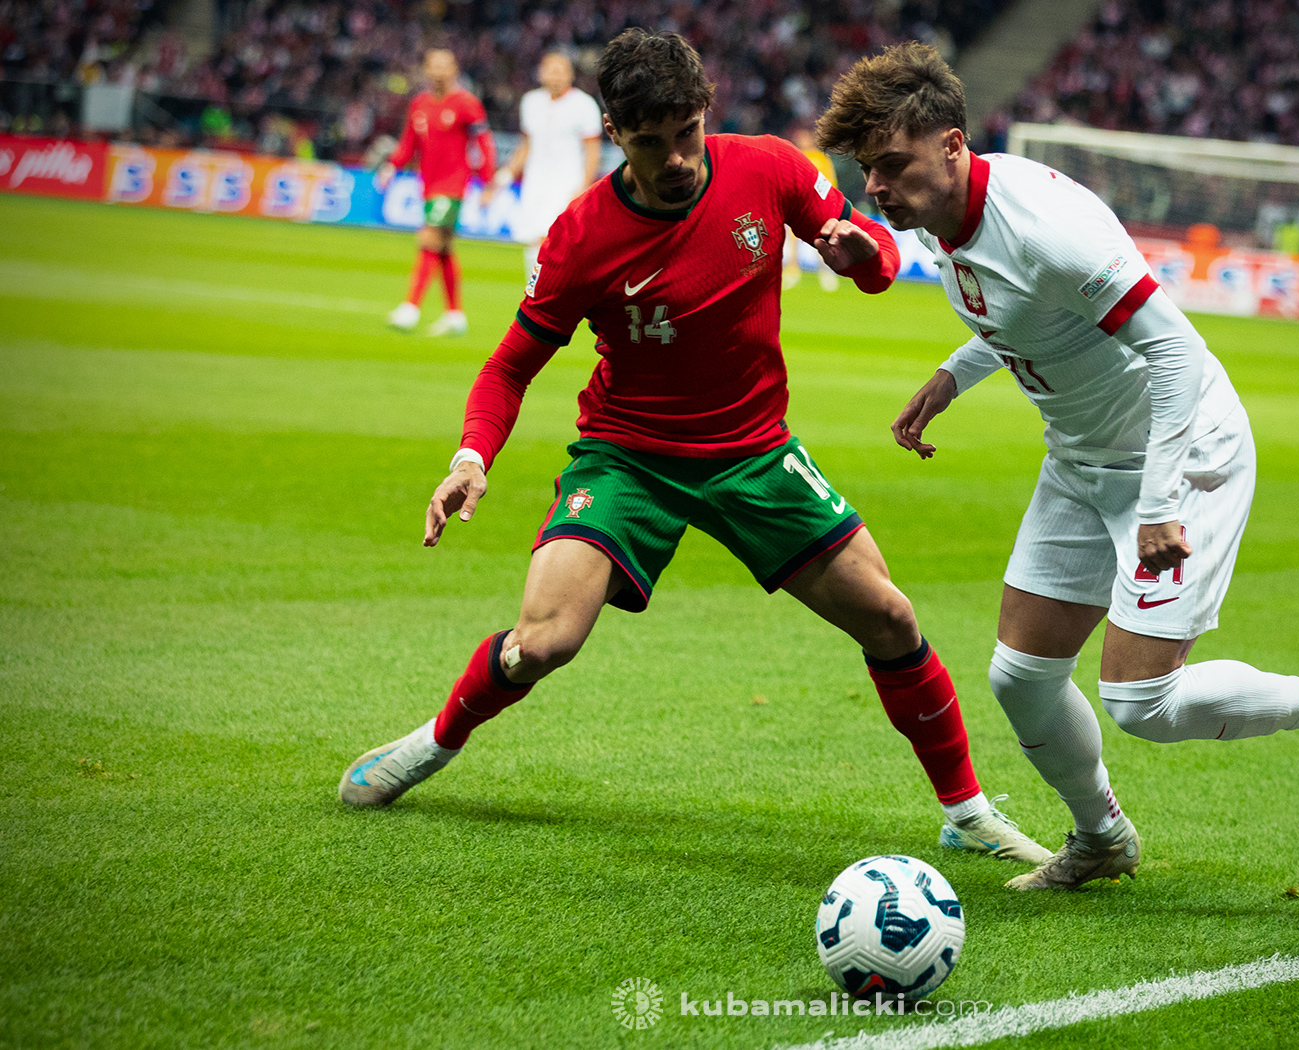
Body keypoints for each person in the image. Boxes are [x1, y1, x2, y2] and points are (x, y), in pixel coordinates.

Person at [339, 30, 1052, 866]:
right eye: (651, 141)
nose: (676, 157)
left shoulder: (768, 168)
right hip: (629, 458)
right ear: (616, 131)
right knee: (544, 641)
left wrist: (869, 257)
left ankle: (965, 812)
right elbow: (509, 366)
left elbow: (872, 250)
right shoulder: (581, 237)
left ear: (705, 112)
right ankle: (434, 742)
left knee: (891, 619)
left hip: (754, 453)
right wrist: (471, 459)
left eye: (686, 132)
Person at [814, 43, 1299, 891]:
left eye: (892, 165)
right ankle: (1103, 838)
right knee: (1021, 677)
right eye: (869, 168)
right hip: (1083, 458)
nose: (875, 185)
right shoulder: (952, 214)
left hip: (1181, 455)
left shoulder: (1048, 230)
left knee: (1141, 704)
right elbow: (1015, 311)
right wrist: (952, 377)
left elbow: (1174, 356)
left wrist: (1161, 500)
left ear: (952, 146)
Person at [378, 49, 497, 337]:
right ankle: (455, 315)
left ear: (455, 70)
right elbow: (409, 143)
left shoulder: (467, 104)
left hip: (454, 185)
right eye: (434, 66)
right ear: (426, 70)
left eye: (445, 66)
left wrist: (488, 183)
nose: (439, 72)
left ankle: (410, 307)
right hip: (428, 186)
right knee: (443, 248)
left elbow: (483, 143)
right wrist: (391, 167)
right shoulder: (420, 104)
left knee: (429, 237)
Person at [496, 52, 603, 280]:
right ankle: (534, 290)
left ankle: (547, 290)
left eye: (560, 70)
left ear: (570, 74)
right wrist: (505, 175)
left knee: (553, 239)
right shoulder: (531, 102)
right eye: (550, 69)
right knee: (533, 239)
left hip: (566, 184)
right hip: (535, 183)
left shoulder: (583, 105)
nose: (555, 75)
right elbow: (525, 145)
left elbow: (593, 150)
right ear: (540, 73)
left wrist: (585, 185)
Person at [782, 124, 840, 292]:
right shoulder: (797, 156)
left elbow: (830, 181)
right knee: (793, 242)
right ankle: (792, 272)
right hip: (799, 206)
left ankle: (826, 273)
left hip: (818, 207)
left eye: (804, 137)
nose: (802, 140)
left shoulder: (821, 159)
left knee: (821, 240)